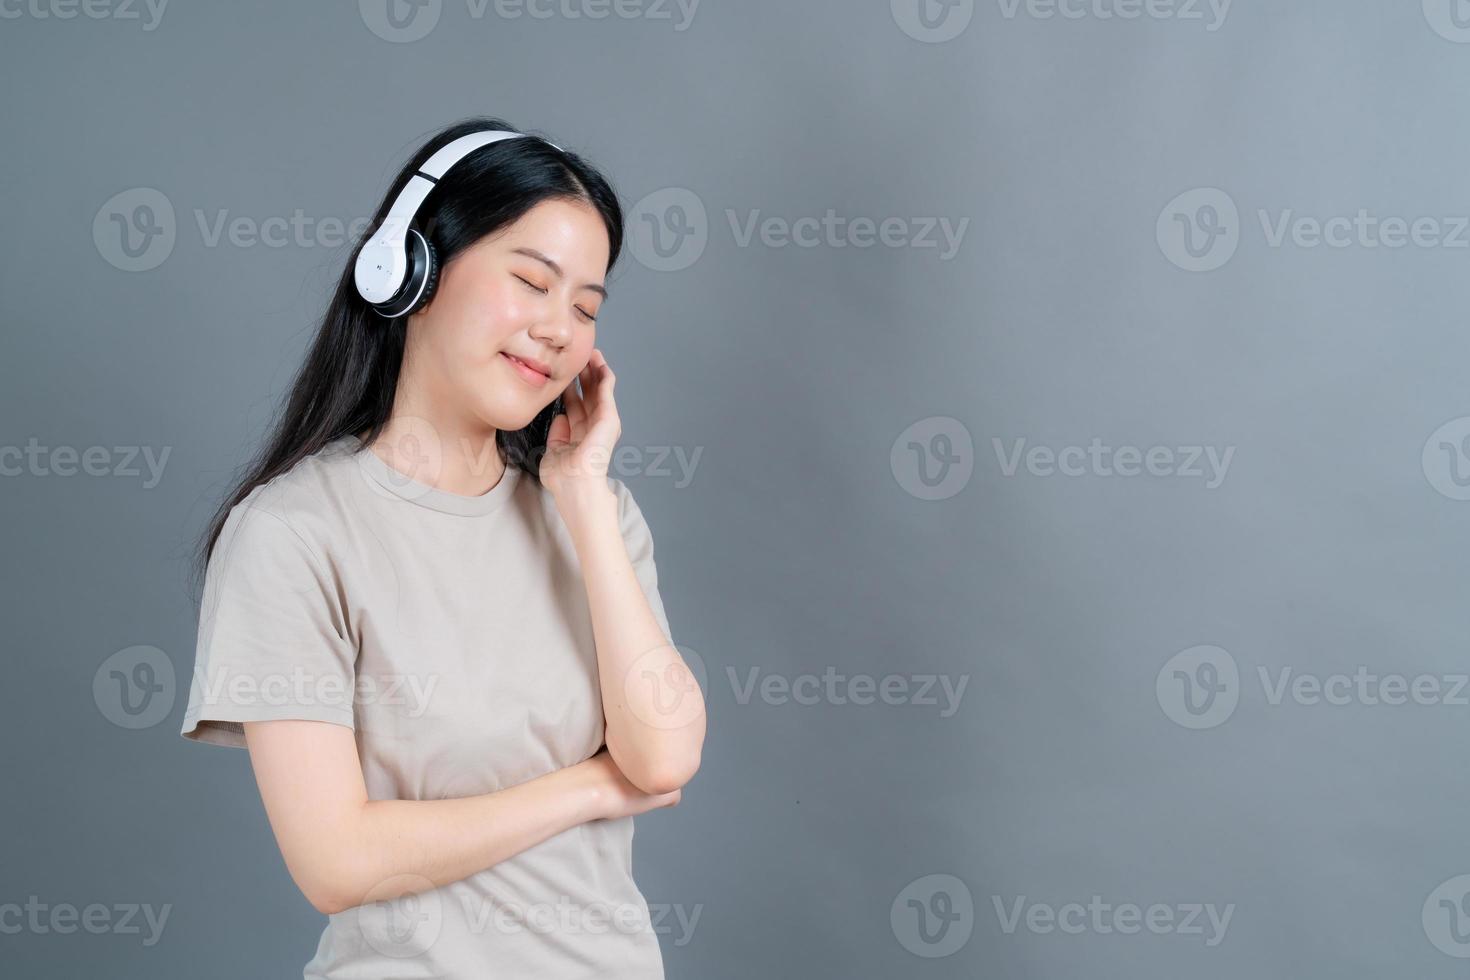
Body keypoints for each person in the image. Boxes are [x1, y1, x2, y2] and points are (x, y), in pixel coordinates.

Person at [179, 116, 707, 978]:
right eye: (532, 282)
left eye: (584, 306)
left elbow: (665, 755)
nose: (557, 328)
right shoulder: (294, 534)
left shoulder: (594, 513)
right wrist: (590, 787)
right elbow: (337, 862)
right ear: (410, 271)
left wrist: (582, 500)